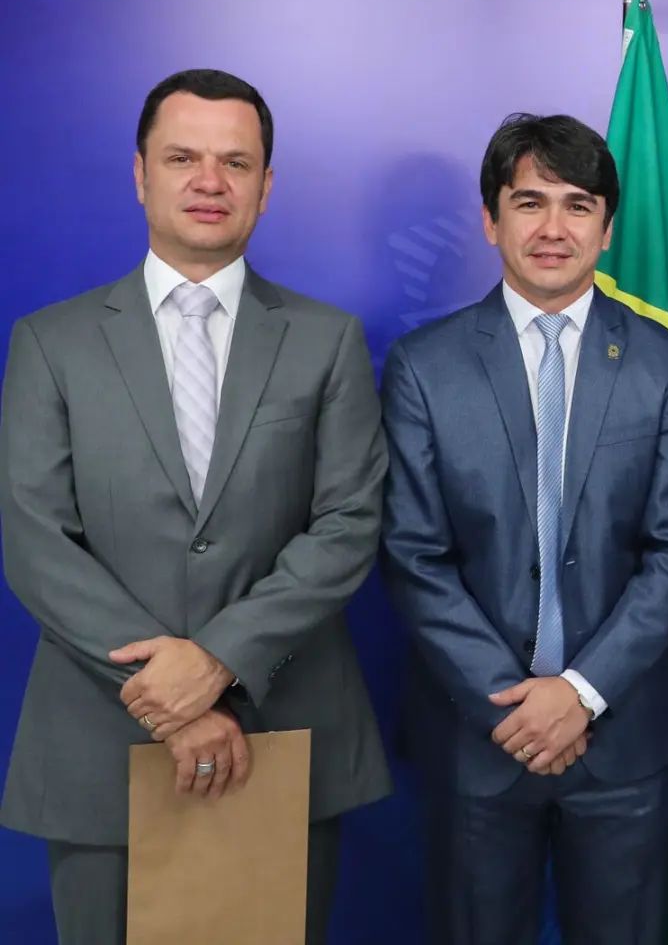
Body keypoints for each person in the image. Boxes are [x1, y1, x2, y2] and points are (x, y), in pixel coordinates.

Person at [0, 68, 390, 945]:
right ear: (141, 173)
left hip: (286, 732)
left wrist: (216, 660)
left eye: (235, 162)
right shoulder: (50, 342)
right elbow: (35, 538)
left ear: (266, 185)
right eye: (183, 157)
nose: (209, 181)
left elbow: (349, 521)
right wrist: (166, 694)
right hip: (99, 744)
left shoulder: (328, 340)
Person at [380, 112, 668, 945]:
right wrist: (515, 706)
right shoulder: (425, 365)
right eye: (529, 203)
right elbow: (415, 554)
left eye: (577, 204)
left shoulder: (663, 363)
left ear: (607, 226)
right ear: (491, 219)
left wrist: (580, 691)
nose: (554, 228)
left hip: (626, 734)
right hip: (478, 735)